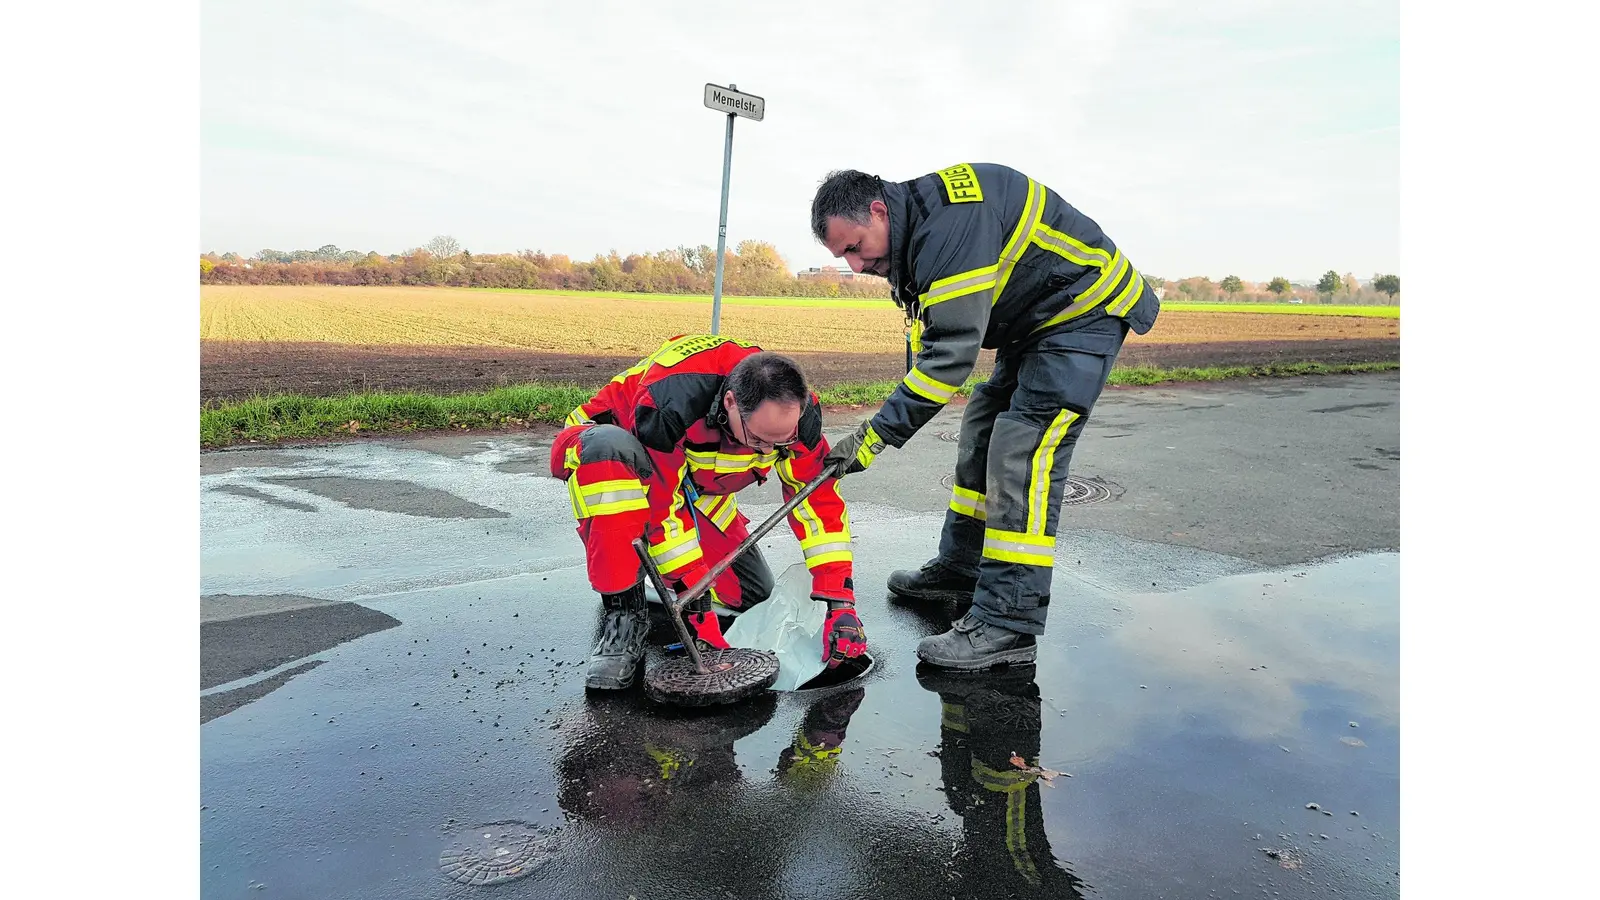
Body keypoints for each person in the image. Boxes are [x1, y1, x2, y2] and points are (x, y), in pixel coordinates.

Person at [812, 163, 1160, 670]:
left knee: (1022, 451)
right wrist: (891, 420)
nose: (855, 265)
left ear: (879, 211)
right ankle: (962, 567)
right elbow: (928, 346)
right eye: (843, 255)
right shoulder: (913, 237)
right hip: (1037, 323)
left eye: (853, 246)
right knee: (982, 426)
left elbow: (949, 357)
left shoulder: (949, 227)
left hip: (1083, 314)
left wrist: (873, 436)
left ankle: (1008, 623)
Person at [549, 333, 867, 691]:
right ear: (730, 402)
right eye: (760, 441)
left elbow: (816, 502)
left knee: (751, 594)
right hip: (613, 459)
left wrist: (840, 600)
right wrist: (696, 606)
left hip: (693, 487)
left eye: (782, 443)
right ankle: (623, 613)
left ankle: (651, 580)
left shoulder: (797, 416)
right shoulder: (669, 403)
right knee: (613, 460)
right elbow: (662, 510)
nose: (770, 450)